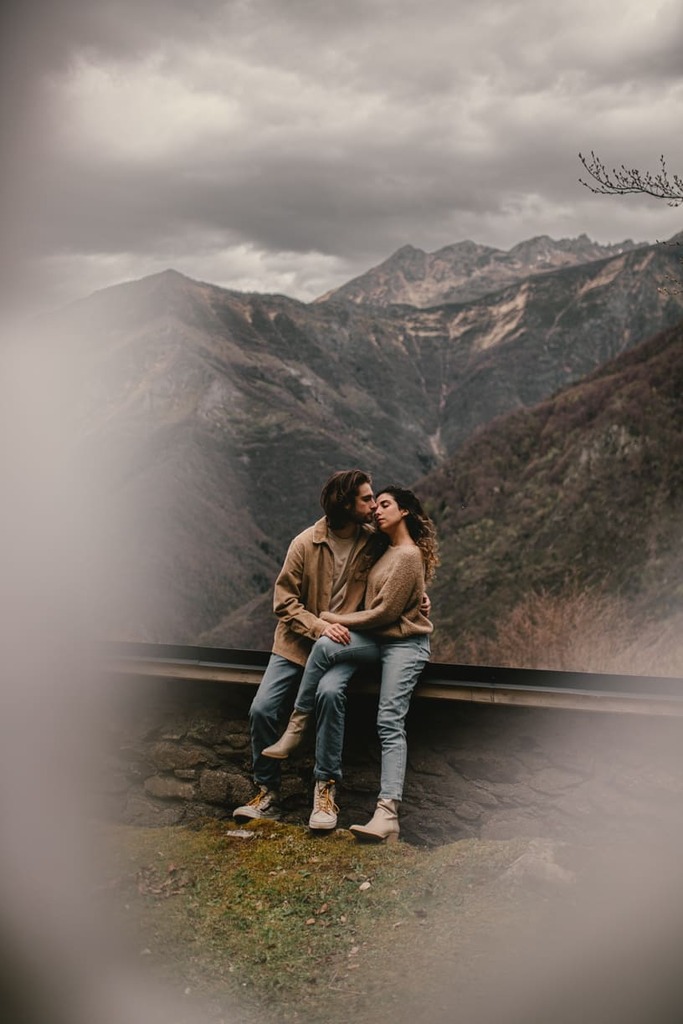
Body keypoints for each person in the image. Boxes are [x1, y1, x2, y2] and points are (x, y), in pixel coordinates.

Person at [262, 485, 438, 843]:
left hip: (404, 645)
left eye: (385, 504)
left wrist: (329, 617)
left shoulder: (407, 555)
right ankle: (297, 727)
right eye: (373, 502)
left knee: (389, 719)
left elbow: (383, 613)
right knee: (326, 643)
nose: (376, 509)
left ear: (404, 511)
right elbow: (390, 601)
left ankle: (387, 813)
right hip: (381, 640)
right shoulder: (382, 548)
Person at [233, 469, 378, 829]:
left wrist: (418, 597)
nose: (373, 505)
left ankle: (325, 792)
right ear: (345, 504)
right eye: (366, 499)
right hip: (296, 645)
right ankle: (267, 793)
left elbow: (404, 565)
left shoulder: (374, 543)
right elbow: (283, 602)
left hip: (341, 648)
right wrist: (318, 626)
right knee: (262, 709)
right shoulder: (304, 544)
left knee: (330, 696)